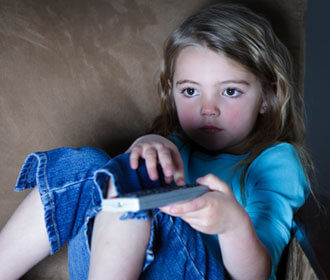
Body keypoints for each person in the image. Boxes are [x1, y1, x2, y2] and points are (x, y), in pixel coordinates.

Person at [0, 3, 313, 280]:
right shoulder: (173, 146)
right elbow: (117, 200)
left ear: (267, 98)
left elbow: (258, 274)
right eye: (190, 91)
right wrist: (147, 142)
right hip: (105, 268)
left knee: (140, 179)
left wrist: (232, 225)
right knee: (88, 165)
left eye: (230, 91)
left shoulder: (276, 161)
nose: (208, 108)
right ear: (171, 90)